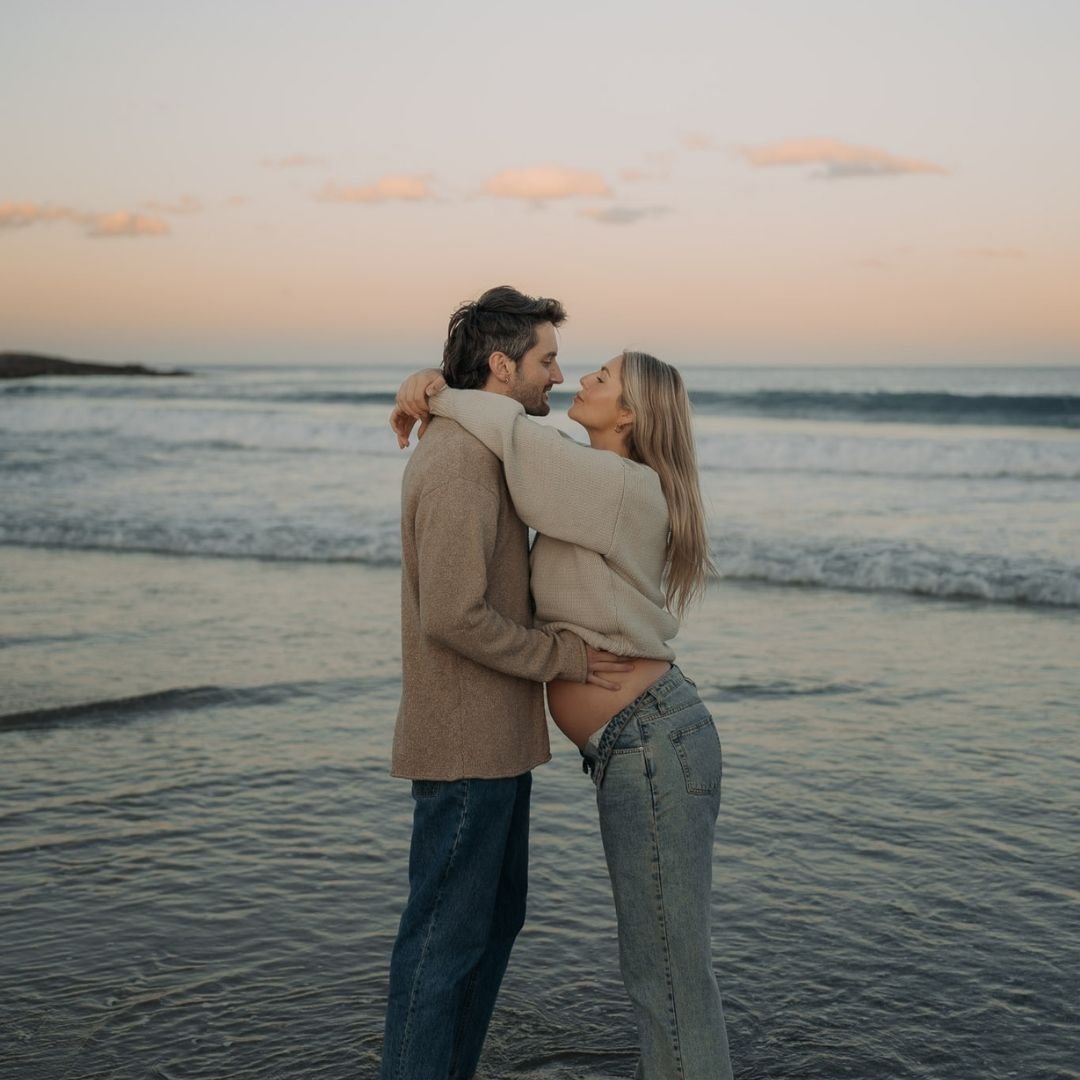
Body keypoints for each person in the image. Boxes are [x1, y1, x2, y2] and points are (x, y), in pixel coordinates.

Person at [392, 349, 734, 1079]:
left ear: (633, 415)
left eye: (601, 379)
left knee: (668, 981)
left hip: (653, 741)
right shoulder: (596, 482)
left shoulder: (610, 484)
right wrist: (433, 386)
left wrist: (433, 391)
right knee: (662, 976)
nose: (580, 379)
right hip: (642, 742)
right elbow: (517, 440)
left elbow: (513, 437)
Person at [380, 286, 633, 1080]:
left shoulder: (489, 448)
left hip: (493, 746)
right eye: (547, 360)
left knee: (489, 927)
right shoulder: (459, 463)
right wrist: (563, 657)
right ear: (502, 364)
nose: (557, 375)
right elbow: (453, 617)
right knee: (442, 943)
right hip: (463, 752)